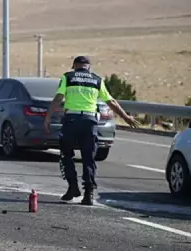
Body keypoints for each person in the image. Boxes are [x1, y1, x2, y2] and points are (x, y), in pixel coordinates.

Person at [43, 56, 139, 205]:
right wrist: (126, 117)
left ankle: (73, 187)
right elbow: (111, 101)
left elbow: (58, 97)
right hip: (90, 121)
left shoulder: (68, 77)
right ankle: (89, 193)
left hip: (71, 120)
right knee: (88, 157)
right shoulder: (97, 80)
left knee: (66, 154)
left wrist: (48, 117)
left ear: (74, 66)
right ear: (89, 67)